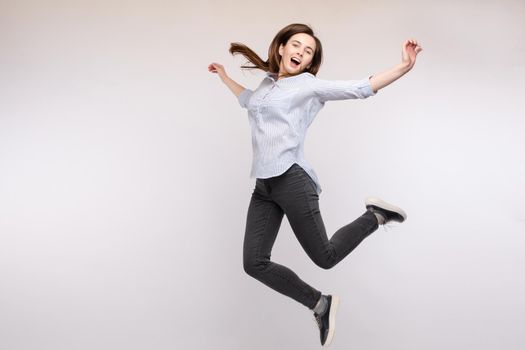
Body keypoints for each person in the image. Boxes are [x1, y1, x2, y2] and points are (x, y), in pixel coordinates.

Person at [208, 23, 422, 347]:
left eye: (308, 52)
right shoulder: (266, 87)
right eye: (296, 45)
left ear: (310, 63)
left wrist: (403, 67)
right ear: (281, 48)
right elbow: (248, 101)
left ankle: (374, 215)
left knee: (325, 257)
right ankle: (320, 304)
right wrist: (224, 76)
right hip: (264, 187)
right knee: (253, 263)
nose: (301, 53)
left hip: (292, 180)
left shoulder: (307, 86)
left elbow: (359, 88)